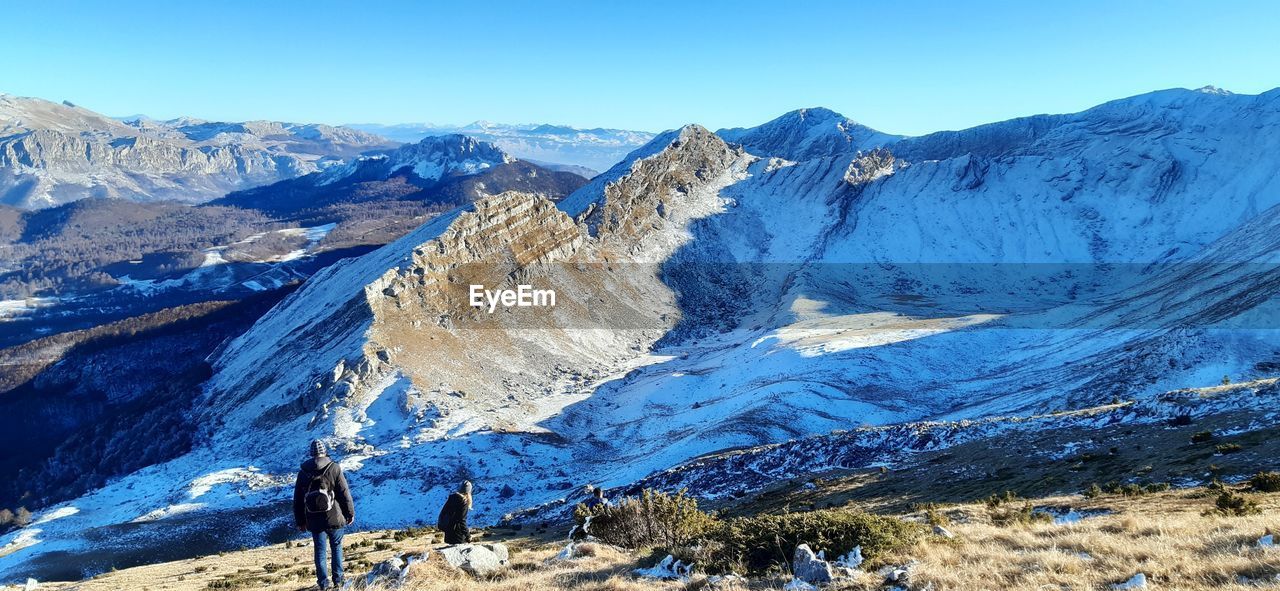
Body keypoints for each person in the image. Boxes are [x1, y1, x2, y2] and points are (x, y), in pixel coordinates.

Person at [293, 439, 354, 590]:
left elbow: (298, 500)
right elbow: (344, 493)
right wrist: (349, 513)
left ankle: (323, 583)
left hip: (313, 519)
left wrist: (301, 521)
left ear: (311, 453)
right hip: (334, 516)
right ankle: (338, 581)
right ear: (325, 451)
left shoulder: (303, 473)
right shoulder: (334, 468)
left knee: (320, 550)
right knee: (337, 547)